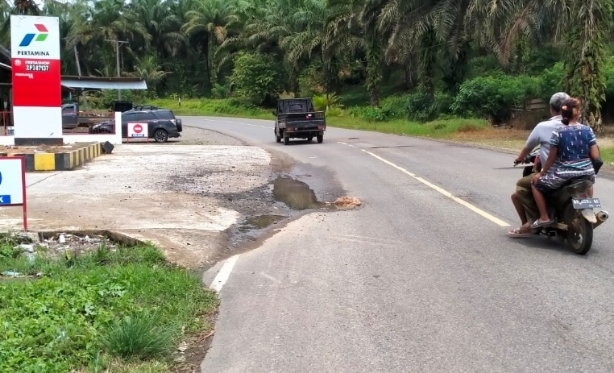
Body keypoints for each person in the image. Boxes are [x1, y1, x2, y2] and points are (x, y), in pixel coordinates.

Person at [530, 97, 601, 228]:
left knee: (535, 185)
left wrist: (541, 173)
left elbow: (551, 158)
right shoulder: (588, 130)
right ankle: (589, 207)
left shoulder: (558, 132)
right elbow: (596, 156)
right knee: (588, 183)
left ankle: (544, 217)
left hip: (565, 174)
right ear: (578, 112)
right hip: (587, 172)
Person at [508, 92, 570, 236]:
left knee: (523, 185)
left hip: (554, 173)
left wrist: (519, 159)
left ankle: (539, 218)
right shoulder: (579, 126)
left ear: (552, 108)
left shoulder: (544, 127)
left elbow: (529, 147)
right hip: (579, 171)